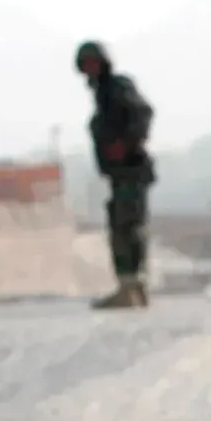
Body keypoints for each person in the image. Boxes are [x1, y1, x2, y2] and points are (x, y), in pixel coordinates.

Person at [76, 42, 154, 310]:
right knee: (125, 225)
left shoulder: (117, 87)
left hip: (131, 169)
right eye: (86, 64)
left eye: (93, 62)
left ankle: (131, 287)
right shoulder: (103, 94)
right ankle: (132, 287)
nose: (90, 68)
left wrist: (126, 143)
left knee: (127, 227)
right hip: (120, 173)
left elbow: (143, 113)